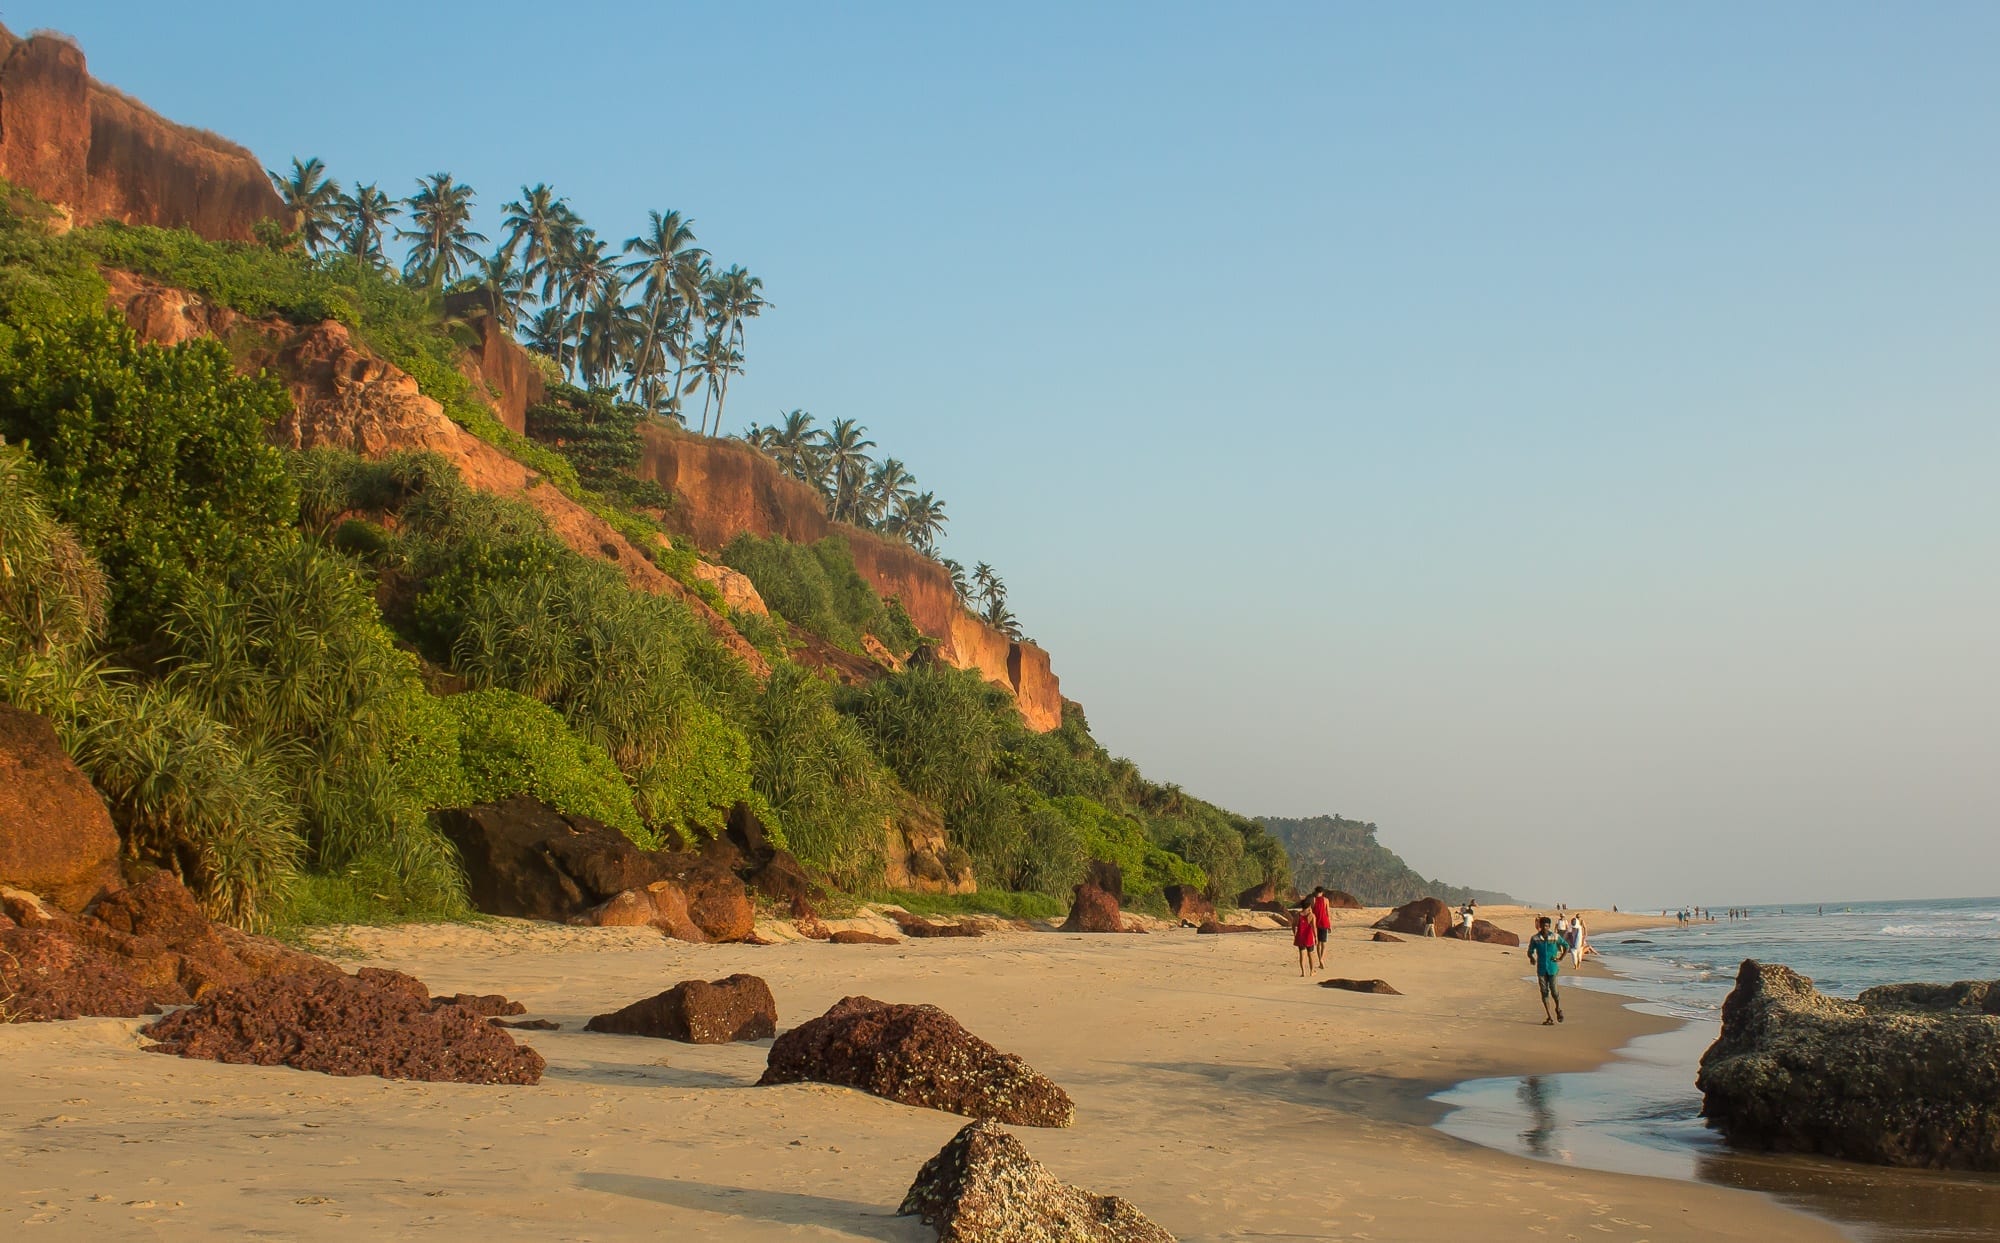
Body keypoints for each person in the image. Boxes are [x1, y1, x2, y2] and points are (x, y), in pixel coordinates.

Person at [1527, 916, 1569, 1025]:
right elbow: (1530, 951)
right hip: (1541, 969)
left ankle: (1558, 1008)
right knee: (1544, 992)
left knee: (1554, 991)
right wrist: (1532, 958)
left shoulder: (1555, 937)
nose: (1545, 928)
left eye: (1547, 926)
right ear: (1539, 926)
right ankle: (1549, 1016)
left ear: (1549, 926)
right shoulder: (1535, 938)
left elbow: (1566, 946)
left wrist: (1560, 958)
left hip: (1552, 968)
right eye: (1543, 926)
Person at [1293, 903, 1318, 977]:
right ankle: (1312, 971)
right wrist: (1316, 937)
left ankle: (1303, 972)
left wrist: (1295, 933)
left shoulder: (1298, 915)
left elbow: (1293, 925)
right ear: (1309, 907)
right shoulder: (1312, 916)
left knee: (1302, 955)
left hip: (1300, 936)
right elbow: (1314, 927)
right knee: (1310, 955)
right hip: (1308, 937)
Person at [1310, 887, 1333, 968]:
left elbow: (1311, 912)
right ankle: (1321, 959)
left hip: (1316, 923)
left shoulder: (1313, 899)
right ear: (1322, 892)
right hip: (1324, 922)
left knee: (1318, 943)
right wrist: (1330, 925)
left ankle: (1320, 960)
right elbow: (1328, 913)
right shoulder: (1326, 900)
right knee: (1324, 943)